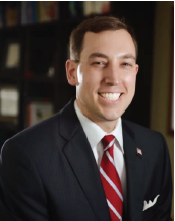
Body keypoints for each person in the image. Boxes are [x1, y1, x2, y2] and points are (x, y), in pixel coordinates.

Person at [0, 16, 172, 221]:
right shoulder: (27, 154)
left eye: (125, 63)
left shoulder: (155, 146)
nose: (114, 79)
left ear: (135, 72)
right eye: (99, 62)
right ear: (72, 72)